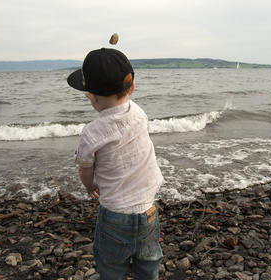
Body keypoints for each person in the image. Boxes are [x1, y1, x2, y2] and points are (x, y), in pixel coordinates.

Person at [67, 48, 164, 279]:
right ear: (131, 87)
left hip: (115, 215)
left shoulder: (92, 132)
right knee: (149, 261)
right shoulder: (139, 113)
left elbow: (85, 168)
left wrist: (90, 186)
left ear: (90, 95)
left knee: (111, 266)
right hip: (148, 209)